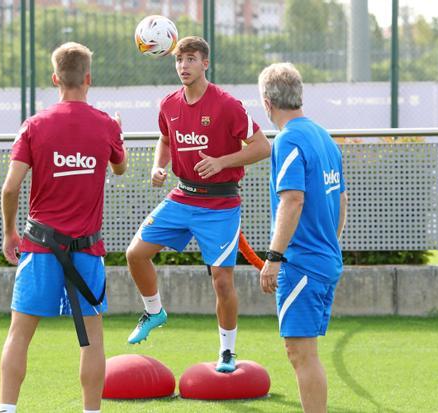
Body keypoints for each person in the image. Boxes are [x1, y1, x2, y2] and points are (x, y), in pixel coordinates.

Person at [125, 36, 271, 373]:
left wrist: (222, 161)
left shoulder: (227, 105)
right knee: (135, 254)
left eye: (191, 59)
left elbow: (262, 147)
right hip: (182, 195)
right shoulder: (168, 104)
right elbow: (164, 139)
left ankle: (227, 352)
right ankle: (154, 311)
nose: (183, 66)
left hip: (221, 203)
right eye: (179, 60)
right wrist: (158, 166)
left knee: (221, 280)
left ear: (205, 63)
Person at [0, 42, 127, 413]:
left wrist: (10, 233)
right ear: (88, 78)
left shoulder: (34, 125)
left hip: (38, 247)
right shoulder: (105, 125)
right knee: (92, 341)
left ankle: (6, 409)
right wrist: (116, 133)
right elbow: (119, 169)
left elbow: (10, 187)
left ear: (55, 78)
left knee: (19, 335)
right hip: (87, 251)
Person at [257, 62, 348, 413]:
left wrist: (274, 258)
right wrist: (332, 244)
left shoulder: (289, 139)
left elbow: (292, 199)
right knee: (304, 352)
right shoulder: (322, 136)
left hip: (302, 263)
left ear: (268, 103)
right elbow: (341, 198)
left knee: (301, 353)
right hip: (324, 260)